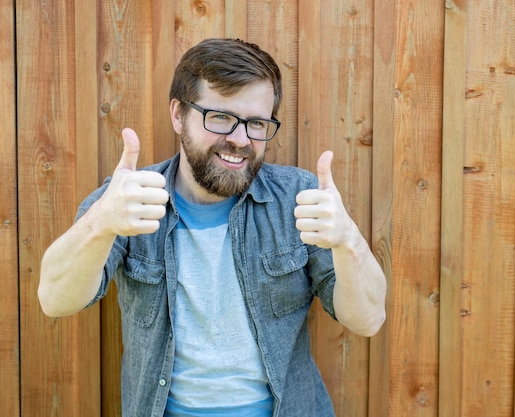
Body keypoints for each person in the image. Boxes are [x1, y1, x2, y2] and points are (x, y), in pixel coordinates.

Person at [38, 38, 386, 417]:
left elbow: (368, 320)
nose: (240, 140)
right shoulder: (128, 200)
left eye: (256, 123)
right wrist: (100, 225)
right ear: (178, 114)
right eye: (219, 117)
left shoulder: (299, 199)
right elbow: (55, 300)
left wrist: (349, 240)